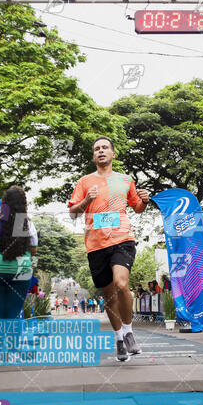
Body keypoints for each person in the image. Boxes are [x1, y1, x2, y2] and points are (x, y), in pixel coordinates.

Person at [69, 136, 149, 361]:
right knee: (109, 295)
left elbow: (138, 207)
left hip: (122, 238)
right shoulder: (84, 182)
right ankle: (119, 338)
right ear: (94, 156)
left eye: (105, 148)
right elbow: (73, 213)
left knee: (122, 284)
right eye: (97, 149)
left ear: (113, 154)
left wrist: (145, 199)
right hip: (95, 244)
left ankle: (129, 331)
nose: (101, 151)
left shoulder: (125, 180)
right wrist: (86, 201)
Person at [0, 186, 38, 319]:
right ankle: (13, 340)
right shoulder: (27, 223)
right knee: (13, 316)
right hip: (21, 270)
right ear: (24, 204)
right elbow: (33, 249)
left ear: (3, 202)